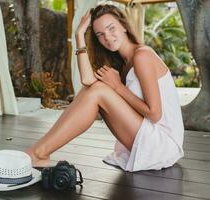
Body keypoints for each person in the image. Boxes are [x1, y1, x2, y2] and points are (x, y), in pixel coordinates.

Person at [26, 4, 184, 172]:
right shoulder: (122, 63)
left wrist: (117, 87)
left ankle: (39, 152)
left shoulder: (142, 56)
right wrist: (79, 35)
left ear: (124, 26)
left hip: (162, 144)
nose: (107, 37)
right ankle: (40, 152)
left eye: (111, 28)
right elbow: (88, 81)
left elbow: (155, 113)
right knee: (93, 89)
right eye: (100, 34)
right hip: (146, 136)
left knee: (99, 90)